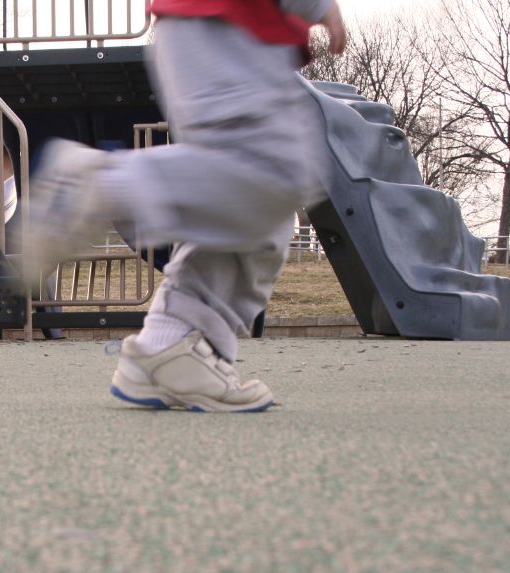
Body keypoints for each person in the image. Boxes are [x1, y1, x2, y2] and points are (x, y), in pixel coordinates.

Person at [28, 0, 347, 412]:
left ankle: (169, 346)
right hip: (229, 27)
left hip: (219, 32)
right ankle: (100, 183)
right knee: (273, 175)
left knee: (244, 218)